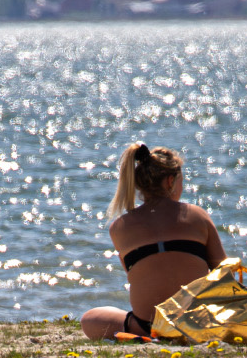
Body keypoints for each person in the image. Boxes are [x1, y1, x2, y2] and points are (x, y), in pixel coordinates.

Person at [81, 143, 226, 340]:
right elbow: (223, 273)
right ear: (170, 181)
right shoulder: (197, 216)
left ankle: (141, 336)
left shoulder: (120, 226)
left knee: (89, 319)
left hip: (148, 326)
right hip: (199, 323)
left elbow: (136, 275)